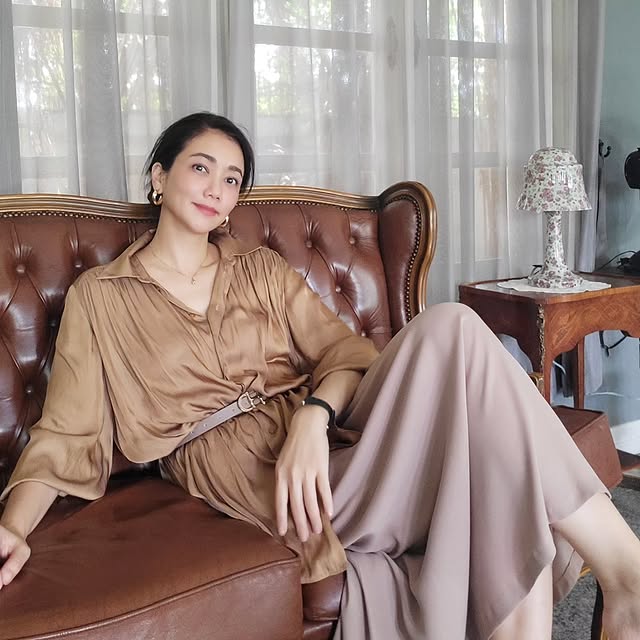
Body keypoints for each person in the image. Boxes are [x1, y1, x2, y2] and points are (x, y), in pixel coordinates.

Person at [1, 111, 640, 640]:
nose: (216, 188)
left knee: (453, 324)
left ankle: (626, 576)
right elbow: (65, 435)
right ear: (159, 177)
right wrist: (13, 528)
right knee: (503, 480)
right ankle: (629, 585)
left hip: (322, 447)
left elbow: (347, 354)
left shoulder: (258, 269)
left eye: (232, 179)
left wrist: (312, 419)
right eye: (200, 168)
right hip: (256, 479)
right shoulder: (100, 297)